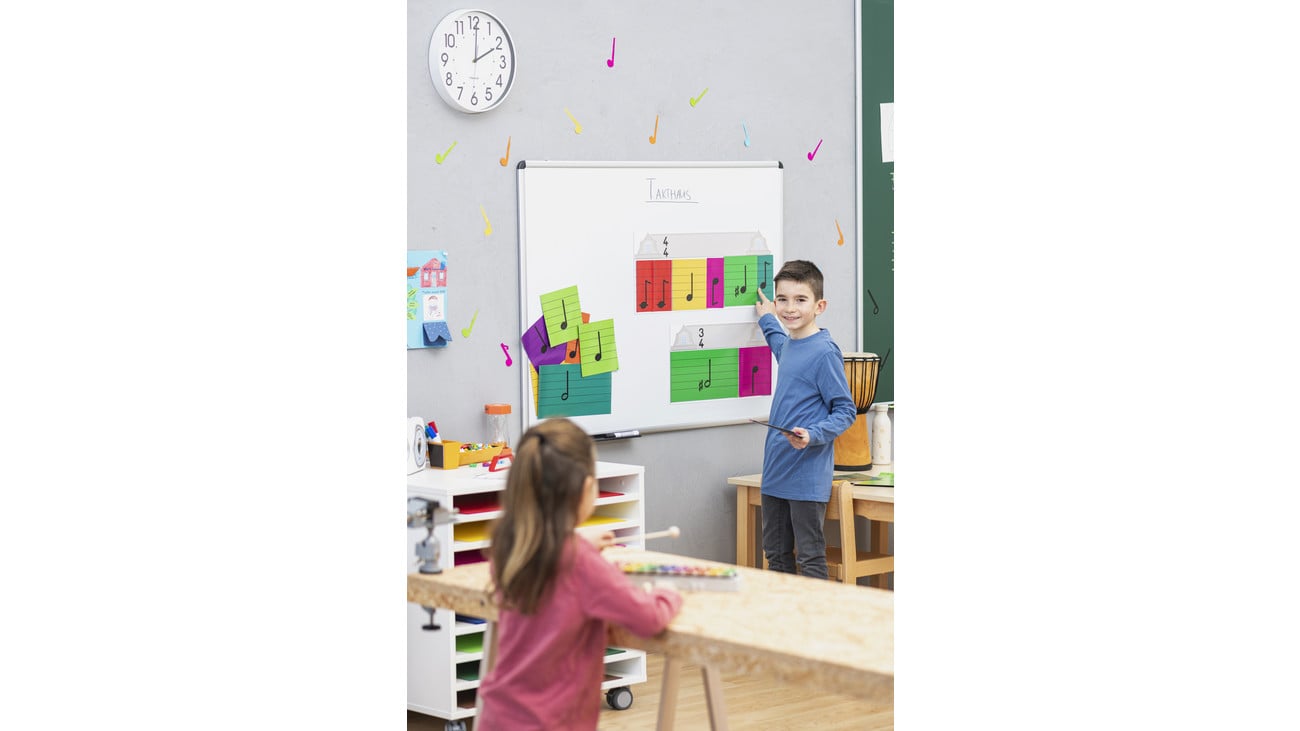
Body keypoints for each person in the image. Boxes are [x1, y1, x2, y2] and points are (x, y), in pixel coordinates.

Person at [476, 418, 683, 731]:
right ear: (587, 488)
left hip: (498, 718)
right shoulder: (582, 564)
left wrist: (574, 540)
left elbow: (551, 562)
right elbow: (649, 618)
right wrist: (669, 590)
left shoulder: (512, 547)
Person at [754, 260, 856, 579]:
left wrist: (812, 434)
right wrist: (767, 317)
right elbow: (779, 344)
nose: (790, 308)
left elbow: (845, 410)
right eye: (782, 299)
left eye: (800, 300)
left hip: (806, 476)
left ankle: (815, 614)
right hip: (775, 470)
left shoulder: (824, 352)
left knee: (810, 558)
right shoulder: (790, 345)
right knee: (776, 555)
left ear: (819, 306)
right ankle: (785, 613)